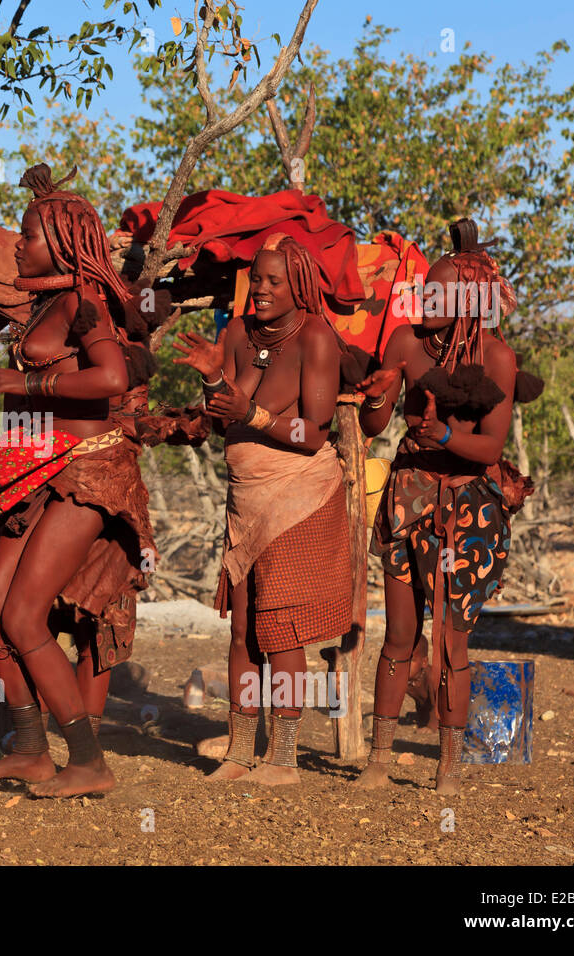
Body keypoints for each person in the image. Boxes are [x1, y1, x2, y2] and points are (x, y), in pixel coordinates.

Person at [0, 164, 156, 798]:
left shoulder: (83, 302)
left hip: (91, 471)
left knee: (22, 613)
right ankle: (32, 749)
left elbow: (110, 380)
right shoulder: (44, 301)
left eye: (27, 235)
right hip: (43, 471)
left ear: (64, 245)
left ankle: (89, 760)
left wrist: (27, 383)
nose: (17, 245)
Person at [355, 219, 535, 795]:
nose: (422, 300)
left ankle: (448, 770)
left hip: (470, 511)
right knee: (400, 633)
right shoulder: (406, 342)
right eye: (421, 290)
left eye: (436, 293)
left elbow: (490, 448)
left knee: (454, 639)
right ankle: (379, 761)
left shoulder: (497, 358)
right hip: (408, 497)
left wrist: (444, 438)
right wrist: (379, 396)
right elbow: (372, 425)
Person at [174, 233, 353, 785]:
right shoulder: (238, 332)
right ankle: (238, 750)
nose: (263, 290)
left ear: (298, 284)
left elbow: (312, 431)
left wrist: (252, 415)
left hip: (299, 495)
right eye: (258, 279)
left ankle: (285, 758)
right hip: (246, 497)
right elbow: (222, 408)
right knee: (243, 631)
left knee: (281, 630)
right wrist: (210, 375)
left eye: (275, 281)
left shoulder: (316, 338)